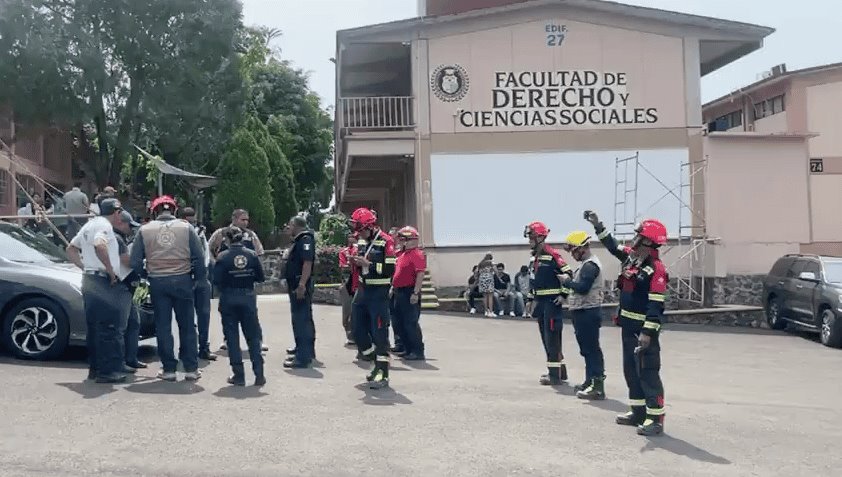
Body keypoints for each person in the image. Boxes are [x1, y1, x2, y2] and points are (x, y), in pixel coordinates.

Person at [584, 210, 668, 436]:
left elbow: (656, 304)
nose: (634, 239)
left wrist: (648, 332)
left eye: (639, 236)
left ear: (648, 241)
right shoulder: (633, 258)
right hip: (628, 328)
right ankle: (638, 412)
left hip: (643, 331)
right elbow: (613, 246)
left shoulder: (656, 269)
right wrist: (598, 225)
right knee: (631, 371)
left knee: (648, 372)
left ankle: (655, 418)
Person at [130, 195, 206, 382]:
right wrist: (197, 280)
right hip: (183, 280)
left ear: (154, 211)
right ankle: (190, 368)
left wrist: (146, 275)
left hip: (158, 282)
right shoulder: (186, 228)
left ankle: (169, 369)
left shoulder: (144, 230)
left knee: (163, 326)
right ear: (174, 210)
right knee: (187, 326)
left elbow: (135, 261)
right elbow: (199, 257)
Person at [65, 198, 129, 383]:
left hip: (89, 279)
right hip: (101, 280)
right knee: (109, 327)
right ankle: (108, 371)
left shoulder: (89, 225)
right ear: (116, 212)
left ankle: (95, 369)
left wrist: (84, 266)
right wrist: (109, 269)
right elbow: (99, 244)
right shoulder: (104, 226)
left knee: (94, 328)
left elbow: (71, 248)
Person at [208, 208, 267, 352]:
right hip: (227, 280)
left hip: (245, 280)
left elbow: (259, 253)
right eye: (243, 219)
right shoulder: (221, 234)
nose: (246, 222)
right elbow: (208, 249)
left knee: (252, 312)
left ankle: (257, 341)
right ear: (234, 219)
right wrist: (216, 265)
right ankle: (228, 340)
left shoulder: (250, 235)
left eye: (247, 220)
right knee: (227, 313)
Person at [213, 226, 266, 386]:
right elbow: (261, 277)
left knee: (232, 338)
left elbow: (216, 281)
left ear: (227, 240)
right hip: (248, 297)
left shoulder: (222, 257)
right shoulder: (251, 255)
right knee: (253, 337)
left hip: (229, 297)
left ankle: (238, 375)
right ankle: (259, 374)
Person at [349, 207, 396, 389]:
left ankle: (382, 373)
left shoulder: (386, 242)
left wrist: (368, 263)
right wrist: (356, 262)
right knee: (356, 327)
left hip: (379, 293)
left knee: (379, 333)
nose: (358, 233)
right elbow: (361, 263)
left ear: (369, 226)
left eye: (360, 229)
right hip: (363, 291)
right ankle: (371, 358)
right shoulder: (362, 242)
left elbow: (390, 269)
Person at [523, 221, 573, 386]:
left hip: (552, 304)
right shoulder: (534, 257)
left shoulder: (552, 254)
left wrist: (563, 294)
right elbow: (533, 281)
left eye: (531, 236)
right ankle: (560, 371)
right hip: (540, 303)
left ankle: (554, 376)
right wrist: (530, 299)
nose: (529, 239)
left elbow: (568, 273)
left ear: (540, 237)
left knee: (552, 338)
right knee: (546, 338)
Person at [561, 230, 606, 400]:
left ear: (582, 248)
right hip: (582, 311)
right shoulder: (585, 264)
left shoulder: (590, 265)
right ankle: (590, 381)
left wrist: (566, 282)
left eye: (573, 251)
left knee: (592, 349)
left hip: (588, 311)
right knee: (586, 349)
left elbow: (582, 288)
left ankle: (597, 386)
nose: (572, 255)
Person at [114, 210, 147, 372]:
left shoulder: (123, 238)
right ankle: (122, 362)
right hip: (122, 285)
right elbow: (126, 261)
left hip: (131, 285)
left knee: (134, 323)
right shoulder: (117, 238)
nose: (130, 229)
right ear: (121, 223)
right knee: (122, 326)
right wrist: (142, 262)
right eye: (129, 225)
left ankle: (131, 358)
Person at [182, 207, 216, 361]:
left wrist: (202, 273)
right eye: (187, 219)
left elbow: (206, 255)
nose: (191, 222)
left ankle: (203, 347)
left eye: (192, 219)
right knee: (186, 316)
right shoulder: (179, 233)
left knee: (203, 316)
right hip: (185, 277)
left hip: (201, 278)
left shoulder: (201, 232)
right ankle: (187, 348)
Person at [282, 215, 316, 369]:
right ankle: (303, 349)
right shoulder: (299, 240)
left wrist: (302, 284)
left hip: (300, 285)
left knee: (302, 319)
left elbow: (307, 263)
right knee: (300, 318)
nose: (288, 228)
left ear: (296, 225)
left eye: (289, 225)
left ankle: (303, 357)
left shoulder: (305, 240)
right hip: (295, 284)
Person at [390, 226, 426, 360]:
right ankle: (407, 348)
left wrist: (415, 293)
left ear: (411, 240)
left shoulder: (417, 254)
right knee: (399, 321)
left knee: (410, 322)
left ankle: (417, 351)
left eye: (403, 239)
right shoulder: (403, 254)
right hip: (398, 291)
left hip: (409, 291)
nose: (400, 242)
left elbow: (420, 274)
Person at [338, 233, 358, 346]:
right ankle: (350, 336)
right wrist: (351, 263)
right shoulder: (344, 251)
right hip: (347, 285)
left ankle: (358, 336)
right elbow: (343, 266)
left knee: (357, 313)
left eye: (353, 239)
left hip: (358, 285)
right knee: (346, 313)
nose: (352, 241)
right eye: (350, 238)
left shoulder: (360, 250)